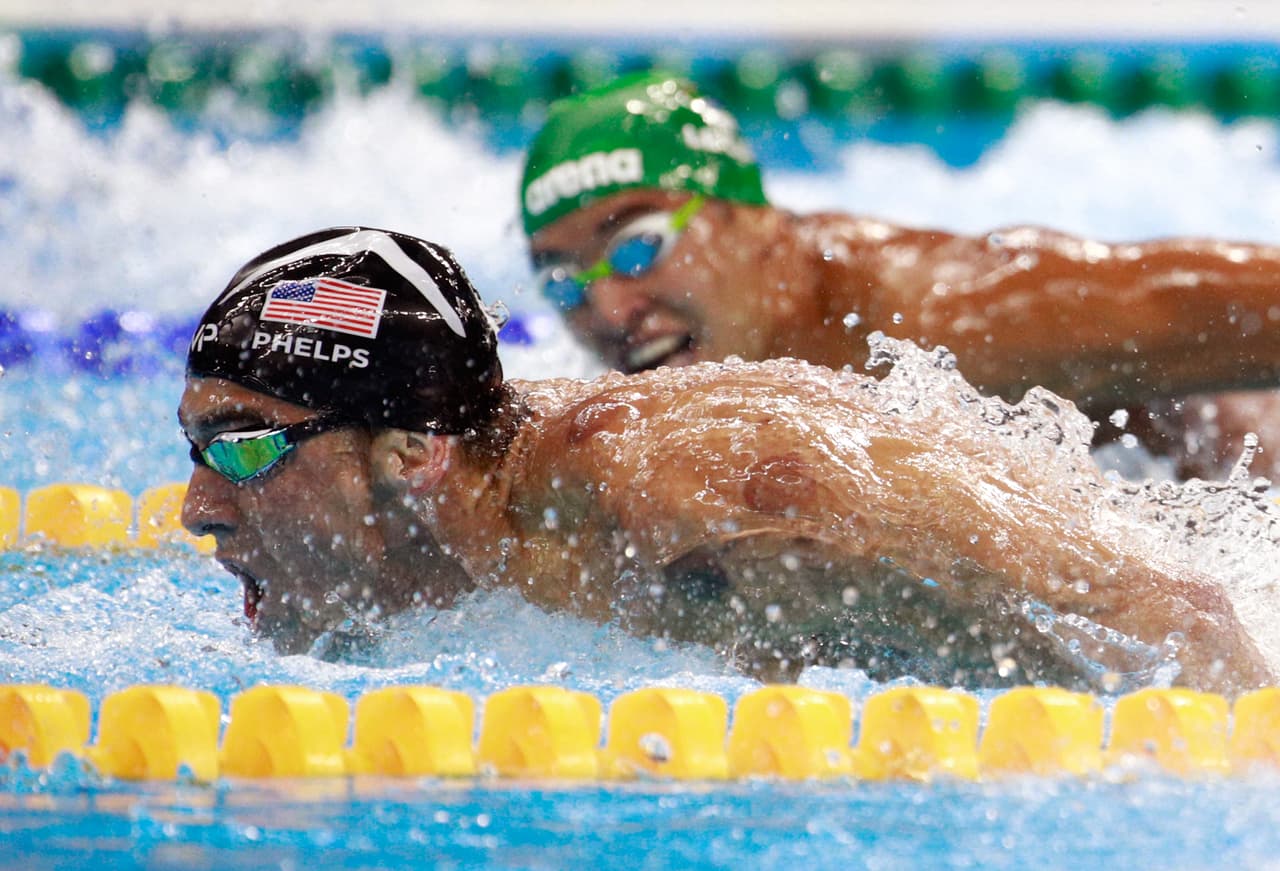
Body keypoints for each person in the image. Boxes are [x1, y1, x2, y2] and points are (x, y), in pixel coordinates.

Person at [180, 226, 1273, 694]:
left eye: (244, 447)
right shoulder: (479, 516)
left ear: (412, 450)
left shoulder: (684, 486)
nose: (198, 509)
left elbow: (1167, 613)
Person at [520, 73, 1280, 481]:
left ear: (753, 219)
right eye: (563, 281)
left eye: (636, 247)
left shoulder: (936, 312)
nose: (608, 306)